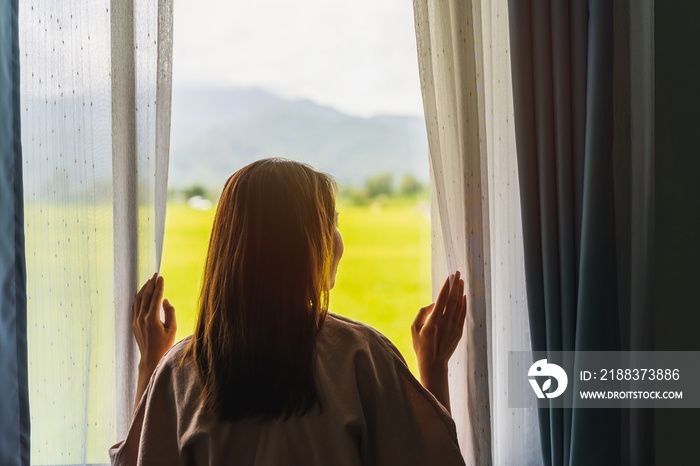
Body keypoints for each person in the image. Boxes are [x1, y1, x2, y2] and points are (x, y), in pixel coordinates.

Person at [110, 158, 467, 465]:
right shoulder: (364, 356)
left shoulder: (178, 371)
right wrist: (434, 370)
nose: (338, 239)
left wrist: (150, 365)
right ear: (307, 248)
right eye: (332, 224)